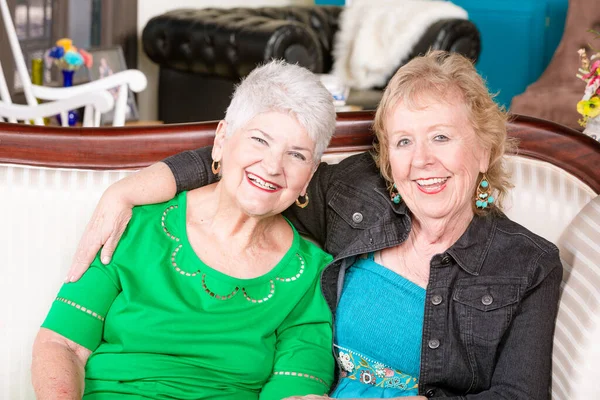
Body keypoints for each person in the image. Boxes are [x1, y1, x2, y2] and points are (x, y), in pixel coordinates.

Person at [64, 51, 562, 399]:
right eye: (403, 142)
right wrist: (127, 188)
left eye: (441, 137)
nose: (421, 161)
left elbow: (521, 393)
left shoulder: (527, 263)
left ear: (485, 150)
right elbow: (253, 164)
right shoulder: (352, 195)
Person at [31, 60, 338, 400]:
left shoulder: (312, 275)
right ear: (221, 140)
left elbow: (296, 389)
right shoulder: (136, 225)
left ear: (309, 176)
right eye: (259, 140)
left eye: (296, 155)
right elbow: (63, 344)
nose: (272, 166)